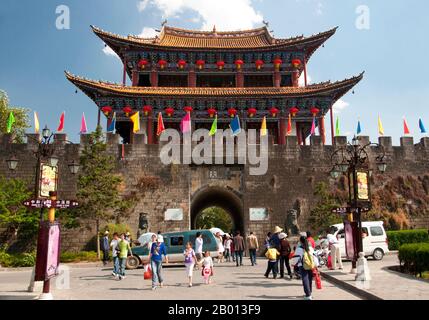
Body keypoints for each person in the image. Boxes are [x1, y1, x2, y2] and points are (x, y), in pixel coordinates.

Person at [291, 236, 316, 300]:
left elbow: (296, 258)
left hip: (302, 266)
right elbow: (314, 257)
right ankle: (309, 293)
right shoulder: (310, 248)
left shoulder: (299, 249)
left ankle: (308, 295)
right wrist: (315, 265)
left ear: (300, 241)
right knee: (309, 279)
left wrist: (293, 264)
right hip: (310, 265)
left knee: (305, 279)